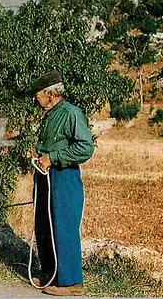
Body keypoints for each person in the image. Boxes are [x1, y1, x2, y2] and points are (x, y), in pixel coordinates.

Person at [31, 70, 94, 296]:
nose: (36, 99)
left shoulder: (71, 113)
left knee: (64, 225)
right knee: (43, 224)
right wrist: (40, 155)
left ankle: (71, 282)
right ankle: (51, 274)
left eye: (38, 95)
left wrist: (53, 158)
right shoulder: (49, 114)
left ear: (50, 93)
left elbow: (85, 148)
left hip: (64, 177)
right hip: (45, 176)